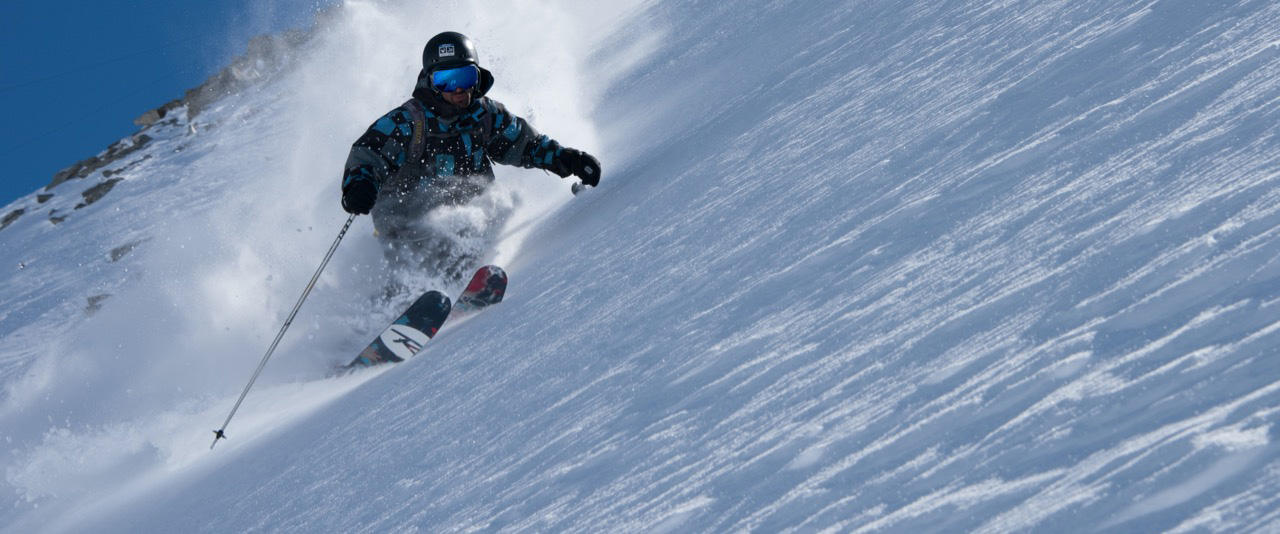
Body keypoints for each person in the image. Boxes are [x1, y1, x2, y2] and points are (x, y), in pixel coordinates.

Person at [340, 31, 600, 280]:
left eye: (464, 77)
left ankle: (466, 281)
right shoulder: (407, 122)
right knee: (416, 263)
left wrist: (567, 158)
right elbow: (368, 154)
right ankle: (401, 302)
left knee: (480, 221)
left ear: (476, 78)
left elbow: (526, 144)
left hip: (473, 230)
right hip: (409, 239)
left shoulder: (485, 116)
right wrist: (359, 184)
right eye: (446, 80)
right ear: (430, 82)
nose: (457, 89)